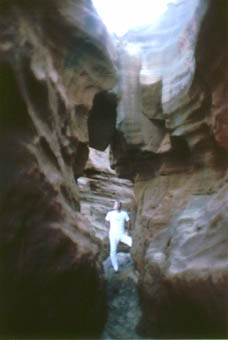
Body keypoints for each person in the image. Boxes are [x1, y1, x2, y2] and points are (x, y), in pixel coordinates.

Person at [105, 200, 132, 272]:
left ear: (121, 206)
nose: (118, 206)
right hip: (113, 235)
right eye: (116, 204)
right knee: (113, 251)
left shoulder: (124, 213)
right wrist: (108, 229)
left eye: (119, 204)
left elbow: (129, 221)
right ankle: (116, 268)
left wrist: (127, 231)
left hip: (122, 234)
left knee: (132, 243)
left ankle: (136, 259)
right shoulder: (110, 213)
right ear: (113, 206)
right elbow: (106, 221)